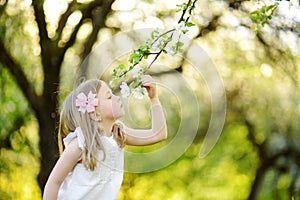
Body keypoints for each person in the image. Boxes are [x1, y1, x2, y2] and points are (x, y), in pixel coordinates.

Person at [43, 75, 167, 200]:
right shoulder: (81, 144)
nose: (117, 98)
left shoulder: (118, 134)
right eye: (109, 97)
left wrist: (154, 98)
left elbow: (158, 134)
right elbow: (54, 182)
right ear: (95, 114)